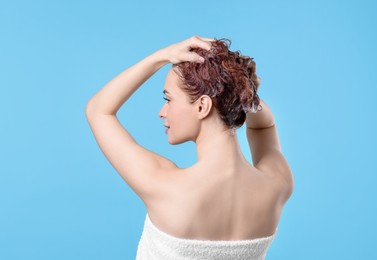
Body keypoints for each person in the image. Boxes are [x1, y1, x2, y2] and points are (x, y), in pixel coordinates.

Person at [86, 35, 294, 259]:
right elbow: (264, 126)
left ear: (202, 106)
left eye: (168, 99)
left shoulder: (165, 187)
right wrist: (237, 93)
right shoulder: (276, 186)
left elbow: (98, 110)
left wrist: (161, 56)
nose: (162, 112)